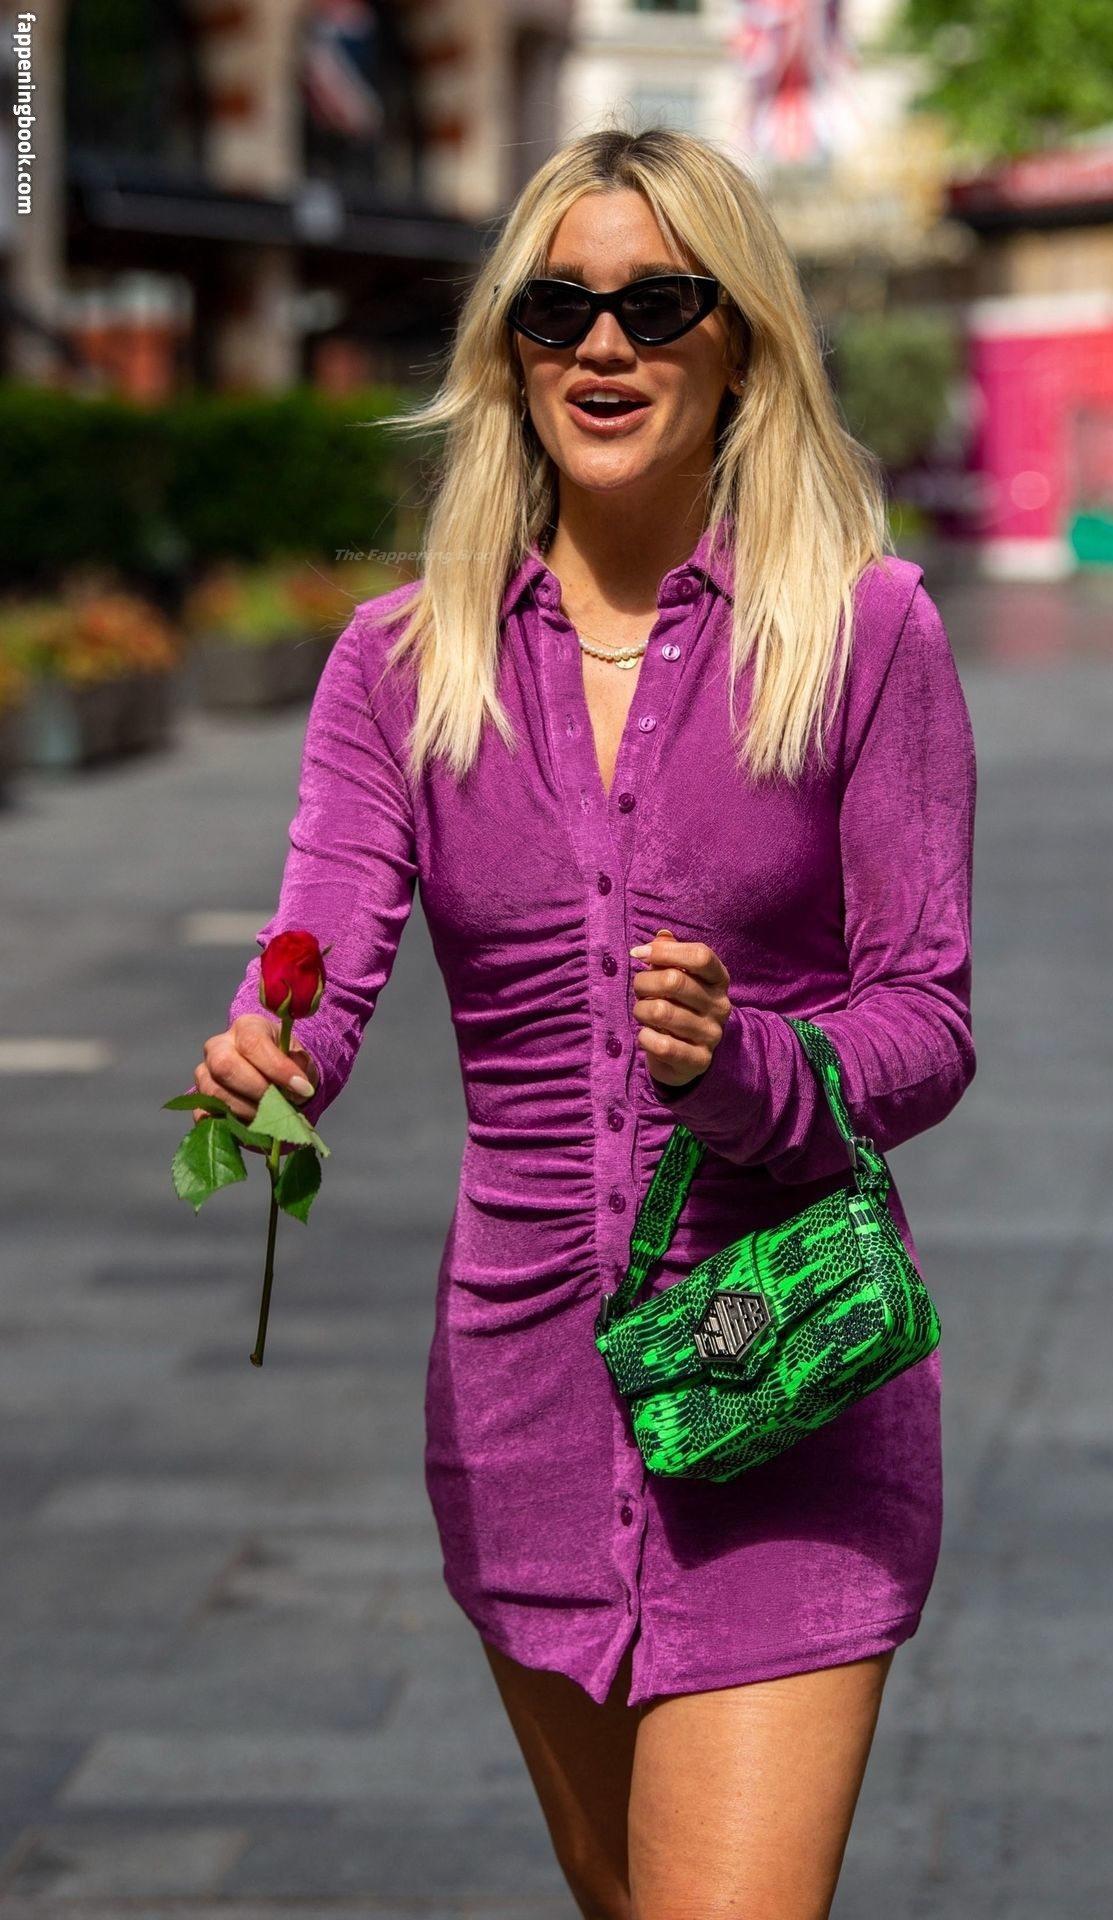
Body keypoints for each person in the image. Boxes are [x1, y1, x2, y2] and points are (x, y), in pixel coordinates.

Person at [191, 124, 977, 1920]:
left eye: (656, 304)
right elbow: (317, 948)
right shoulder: (403, 662)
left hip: (787, 1381)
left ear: (740, 342)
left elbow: (928, 1017)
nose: (603, 346)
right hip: (525, 1404)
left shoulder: (865, 634)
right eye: (557, 309)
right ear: (511, 349)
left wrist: (756, 1067)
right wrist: (265, 1061)